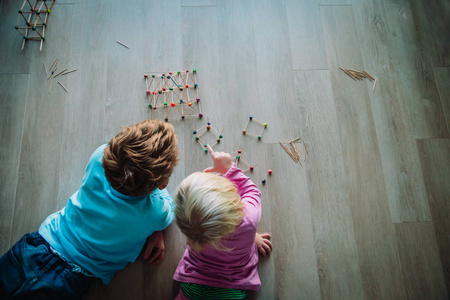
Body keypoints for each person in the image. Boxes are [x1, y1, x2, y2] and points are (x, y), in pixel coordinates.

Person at [0, 119, 179, 299]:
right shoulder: (156, 212)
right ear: (162, 184)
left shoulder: (99, 156)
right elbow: (169, 207)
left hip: (36, 246)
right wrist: (155, 224)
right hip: (70, 278)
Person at [173, 145, 272, 300]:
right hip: (235, 288)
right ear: (230, 196)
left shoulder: (192, 231)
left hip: (192, 285)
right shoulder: (248, 219)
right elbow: (251, 191)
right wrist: (228, 169)